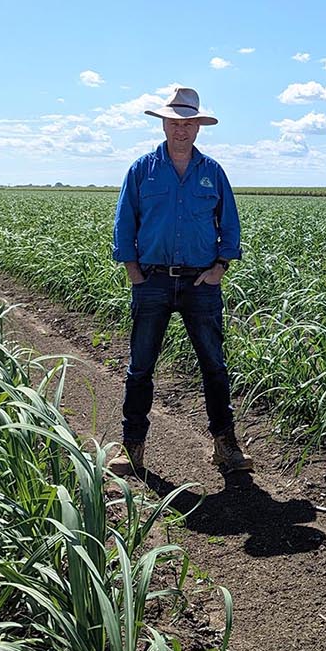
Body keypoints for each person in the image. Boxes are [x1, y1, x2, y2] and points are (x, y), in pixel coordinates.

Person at [109, 85, 252, 476]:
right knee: (140, 368)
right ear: (164, 125)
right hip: (152, 281)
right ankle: (131, 449)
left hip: (200, 284)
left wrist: (220, 266)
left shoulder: (212, 172)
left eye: (188, 123)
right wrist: (133, 272)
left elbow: (231, 225)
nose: (181, 129)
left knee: (214, 367)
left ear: (198, 127)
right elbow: (125, 222)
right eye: (174, 122)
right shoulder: (142, 170)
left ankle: (226, 447)